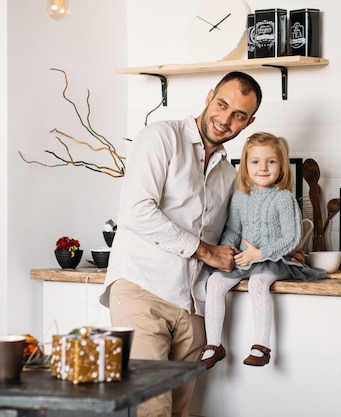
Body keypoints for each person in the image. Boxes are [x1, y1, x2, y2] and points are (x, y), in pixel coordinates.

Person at [99, 71, 262, 417]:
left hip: (192, 307)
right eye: (222, 105)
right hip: (142, 292)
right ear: (208, 97)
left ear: (249, 123)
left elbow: (233, 232)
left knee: (178, 413)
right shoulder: (160, 137)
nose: (225, 119)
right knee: (153, 412)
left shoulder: (228, 173)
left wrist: (280, 248)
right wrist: (206, 251)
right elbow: (135, 212)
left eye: (239, 115)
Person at [200, 132, 326, 370]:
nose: (263, 168)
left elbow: (292, 238)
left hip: (275, 260)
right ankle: (214, 344)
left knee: (258, 283)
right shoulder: (240, 197)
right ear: (245, 166)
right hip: (245, 259)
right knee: (215, 282)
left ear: (282, 166)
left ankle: (261, 346)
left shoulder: (284, 198)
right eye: (255, 161)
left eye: (271, 161)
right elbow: (232, 230)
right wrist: (229, 251)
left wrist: (260, 254)